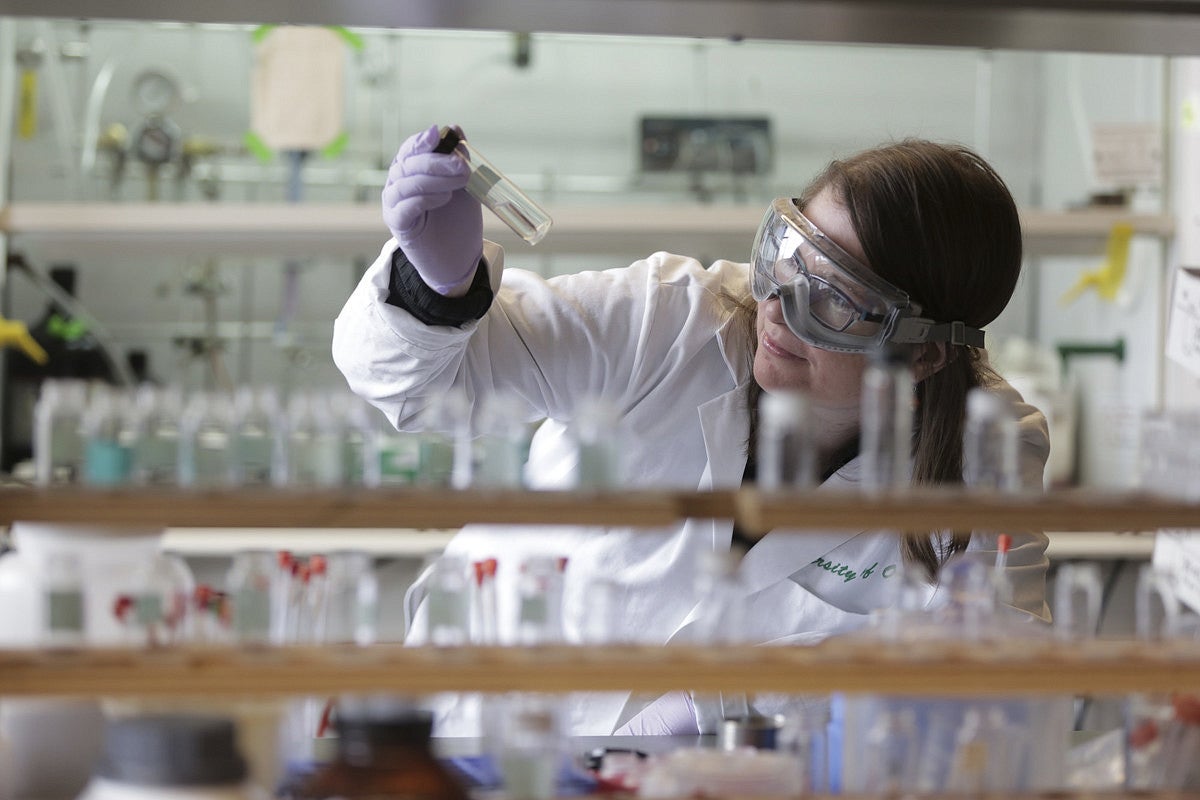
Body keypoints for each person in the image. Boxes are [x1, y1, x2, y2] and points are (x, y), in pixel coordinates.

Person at [332, 124, 1050, 736]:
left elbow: (999, 675)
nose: (777, 306)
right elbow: (414, 389)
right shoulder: (667, 316)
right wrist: (435, 290)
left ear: (922, 351)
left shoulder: (987, 446)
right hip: (489, 728)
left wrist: (728, 704)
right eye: (787, 256)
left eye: (833, 300)